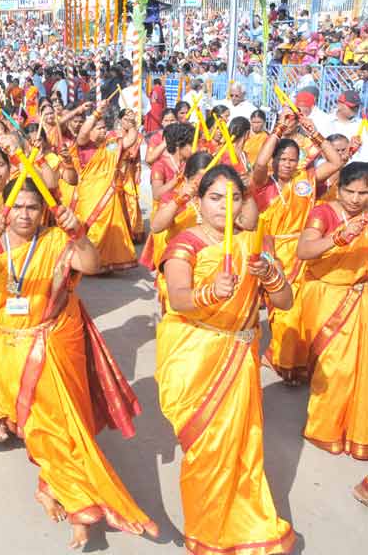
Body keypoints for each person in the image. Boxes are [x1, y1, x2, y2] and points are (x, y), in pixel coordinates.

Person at [0, 179, 157, 549]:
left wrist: (78, 233)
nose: (24, 214)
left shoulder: (56, 240)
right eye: (17, 207)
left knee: (60, 431)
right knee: (43, 431)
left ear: (43, 213)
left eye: (32, 208)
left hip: (54, 343)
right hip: (8, 350)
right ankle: (64, 496)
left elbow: (91, 263)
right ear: (5, 209)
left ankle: (72, 503)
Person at [156, 165, 296, 555]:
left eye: (233, 198)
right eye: (215, 197)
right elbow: (180, 297)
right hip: (196, 354)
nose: (224, 206)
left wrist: (270, 275)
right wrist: (208, 293)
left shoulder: (255, 244)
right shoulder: (185, 243)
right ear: (199, 203)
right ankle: (205, 531)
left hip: (241, 355)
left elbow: (285, 302)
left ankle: (244, 522)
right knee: (206, 448)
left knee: (240, 446)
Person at [251, 111, 344, 383]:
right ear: (274, 160)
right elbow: (258, 162)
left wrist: (313, 131)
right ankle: (282, 360)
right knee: (283, 313)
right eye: (282, 159)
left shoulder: (305, 179)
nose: (288, 164)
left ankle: (296, 361)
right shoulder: (262, 185)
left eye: (293, 159)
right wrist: (279, 129)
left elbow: (336, 161)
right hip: (274, 254)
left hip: (304, 252)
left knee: (304, 311)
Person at [296, 163, 368, 491]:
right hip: (327, 295)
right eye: (350, 191)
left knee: (360, 373)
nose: (355, 199)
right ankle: (324, 428)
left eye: (363, 193)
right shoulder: (324, 212)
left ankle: (355, 433)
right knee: (337, 370)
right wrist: (339, 237)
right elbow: (305, 249)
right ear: (339, 188)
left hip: (361, 296)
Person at [73, 101, 139, 272]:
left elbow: (130, 141)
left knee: (109, 231)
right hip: (89, 198)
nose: (103, 130)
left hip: (109, 196)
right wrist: (96, 113)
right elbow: (82, 134)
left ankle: (104, 263)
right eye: (98, 128)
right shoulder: (84, 146)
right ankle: (87, 263)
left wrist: (132, 124)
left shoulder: (110, 145)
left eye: (104, 127)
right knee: (92, 230)